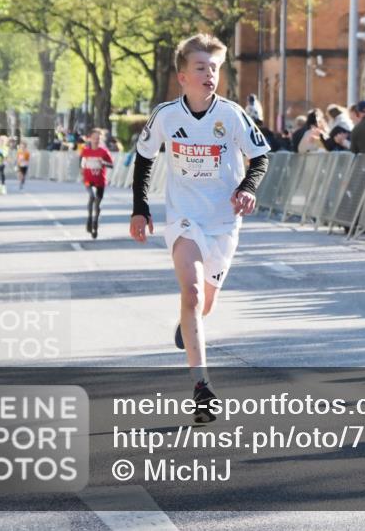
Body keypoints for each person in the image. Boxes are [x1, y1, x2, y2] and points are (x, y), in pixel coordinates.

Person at [130, 33, 270, 423]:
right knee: (190, 291)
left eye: (214, 68)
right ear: (182, 77)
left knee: (204, 304)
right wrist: (140, 208)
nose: (209, 74)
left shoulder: (231, 115)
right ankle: (201, 386)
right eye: (200, 68)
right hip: (184, 217)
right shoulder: (165, 116)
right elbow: (144, 159)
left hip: (224, 221)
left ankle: (189, 323)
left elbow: (260, 157)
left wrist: (246, 188)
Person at [81, 128, 114, 239]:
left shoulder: (104, 151)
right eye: (94, 138)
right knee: (92, 196)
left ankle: (95, 222)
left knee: (98, 203)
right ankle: (90, 219)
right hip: (88, 180)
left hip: (100, 180)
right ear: (89, 138)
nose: (96, 140)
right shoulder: (85, 151)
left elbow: (111, 165)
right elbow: (81, 163)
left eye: (98, 138)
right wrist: (82, 171)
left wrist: (103, 162)